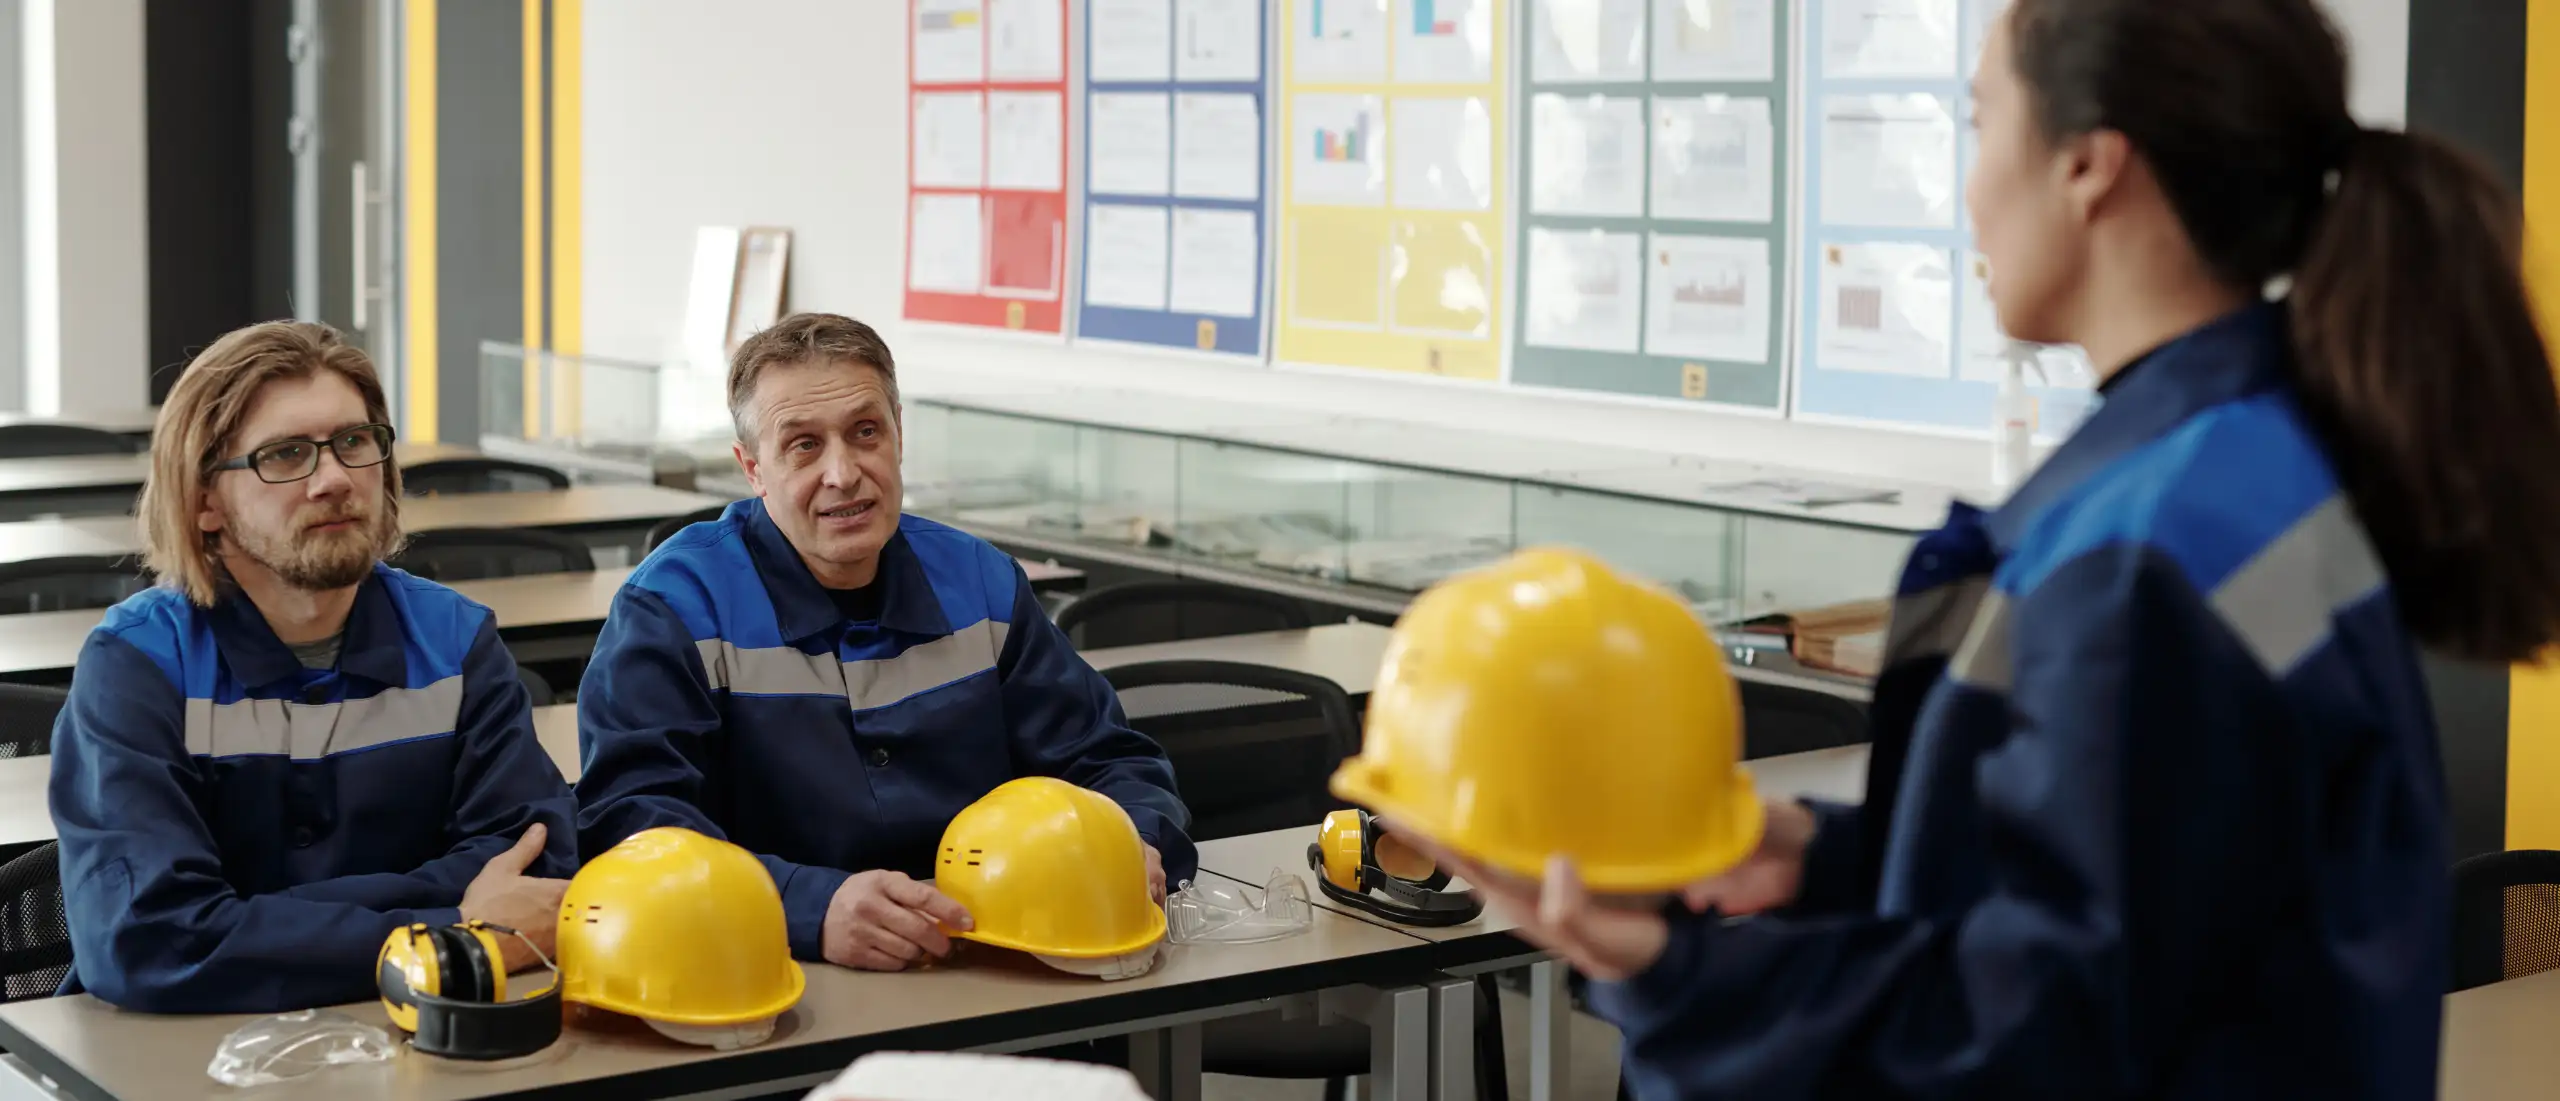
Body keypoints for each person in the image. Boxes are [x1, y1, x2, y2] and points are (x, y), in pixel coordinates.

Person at [1407, 2, 2560, 1098]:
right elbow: (2156, 886)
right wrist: (1818, 857)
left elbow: (2038, 1039)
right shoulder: (2255, 469)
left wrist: (1673, 975)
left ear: (2086, 165)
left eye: (1978, 123)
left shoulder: (2143, 546)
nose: (1965, 189)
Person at [575, 312, 1195, 972]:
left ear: (899, 434)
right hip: (779, 975)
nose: (843, 473)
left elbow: (1109, 759)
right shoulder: (673, 607)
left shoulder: (981, 582)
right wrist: (809, 907)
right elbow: (633, 828)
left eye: (865, 432)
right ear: (752, 468)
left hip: (1003, 960)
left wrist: (1135, 839)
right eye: (804, 445)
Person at [48, 321, 579, 1014]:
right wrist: (455, 929)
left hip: (421, 1041)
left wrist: (252, 915)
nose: (333, 479)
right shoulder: (139, 663)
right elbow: (151, 939)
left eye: (354, 442)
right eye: (286, 454)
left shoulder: (454, 638)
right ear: (205, 499)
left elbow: (535, 868)